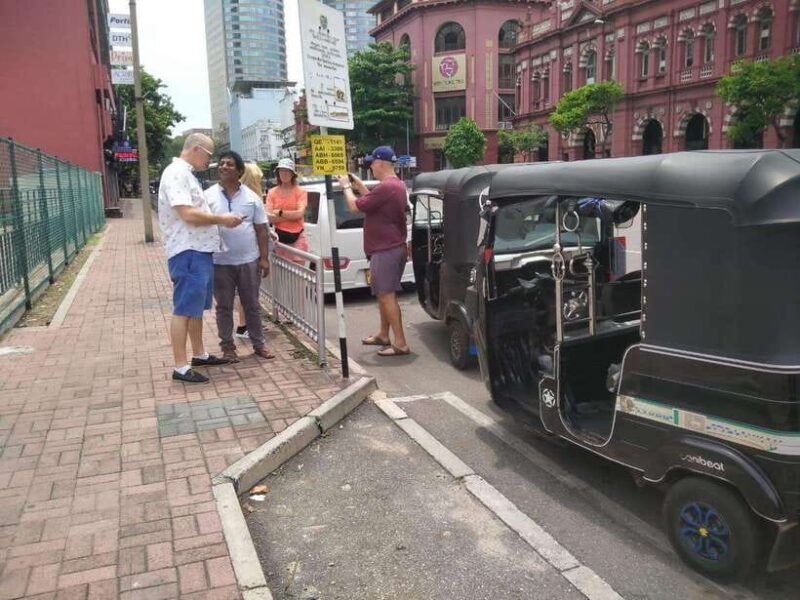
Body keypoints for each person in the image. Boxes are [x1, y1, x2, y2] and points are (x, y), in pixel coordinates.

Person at [158, 133, 242, 384]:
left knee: (195, 309)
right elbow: (187, 214)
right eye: (209, 155)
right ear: (196, 149)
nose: (211, 161)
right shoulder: (176, 173)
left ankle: (198, 353)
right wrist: (222, 219)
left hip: (199, 250)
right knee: (184, 308)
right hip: (188, 250)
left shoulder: (185, 174)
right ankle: (180, 366)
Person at [338, 146, 410, 357]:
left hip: (386, 249)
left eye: (372, 162)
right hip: (390, 247)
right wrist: (358, 184)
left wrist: (345, 187)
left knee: (387, 296)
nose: (370, 166)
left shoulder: (387, 188)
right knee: (382, 294)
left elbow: (354, 206)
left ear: (380, 163)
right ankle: (383, 335)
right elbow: (371, 200)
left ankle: (401, 343)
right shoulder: (396, 186)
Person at [205, 151, 275, 362]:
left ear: (239, 171)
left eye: (229, 164)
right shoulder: (207, 196)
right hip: (219, 262)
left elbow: (261, 229)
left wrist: (263, 258)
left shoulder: (252, 198)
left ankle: (259, 345)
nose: (223, 167)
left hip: (248, 261)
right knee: (224, 307)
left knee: (252, 305)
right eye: (222, 163)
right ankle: (228, 347)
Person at [234, 162, 266, 338]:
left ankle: (244, 325)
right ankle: (246, 326)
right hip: (249, 252)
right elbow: (257, 226)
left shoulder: (238, 196)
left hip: (241, 251)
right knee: (249, 291)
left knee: (245, 290)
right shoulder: (250, 198)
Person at [266, 158, 308, 265]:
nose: (284, 173)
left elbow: (299, 214)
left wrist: (279, 212)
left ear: (292, 174)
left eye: (287, 171)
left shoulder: (300, 192)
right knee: (283, 277)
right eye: (281, 170)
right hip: (280, 239)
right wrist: (291, 215)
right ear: (278, 173)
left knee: (299, 275)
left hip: (298, 238)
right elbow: (269, 217)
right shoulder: (271, 193)